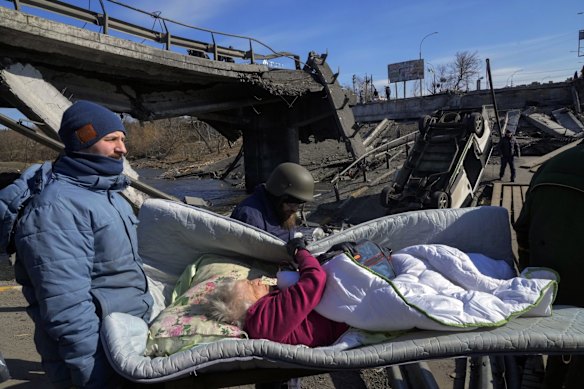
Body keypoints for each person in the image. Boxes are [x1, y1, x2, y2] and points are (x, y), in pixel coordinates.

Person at [11, 101, 153, 388]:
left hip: (128, 341)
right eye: (111, 139)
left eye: (122, 139)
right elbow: (66, 307)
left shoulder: (108, 194)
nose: (122, 149)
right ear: (82, 142)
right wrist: (93, 375)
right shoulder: (55, 208)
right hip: (100, 357)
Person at [513, 140, 584, 388]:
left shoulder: (551, 166)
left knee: (559, 351)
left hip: (549, 288)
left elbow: (522, 229)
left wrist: (529, 283)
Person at [202, 238, 349, 347]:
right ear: (245, 303)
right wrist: (300, 251)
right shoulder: (263, 319)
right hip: (347, 314)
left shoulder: (262, 318)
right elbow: (315, 281)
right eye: (251, 285)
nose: (257, 280)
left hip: (339, 308)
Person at [230, 162, 315, 242]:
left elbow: (287, 233)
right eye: (292, 201)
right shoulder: (249, 218)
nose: (295, 209)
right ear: (277, 195)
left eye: (300, 203)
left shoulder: (283, 211)